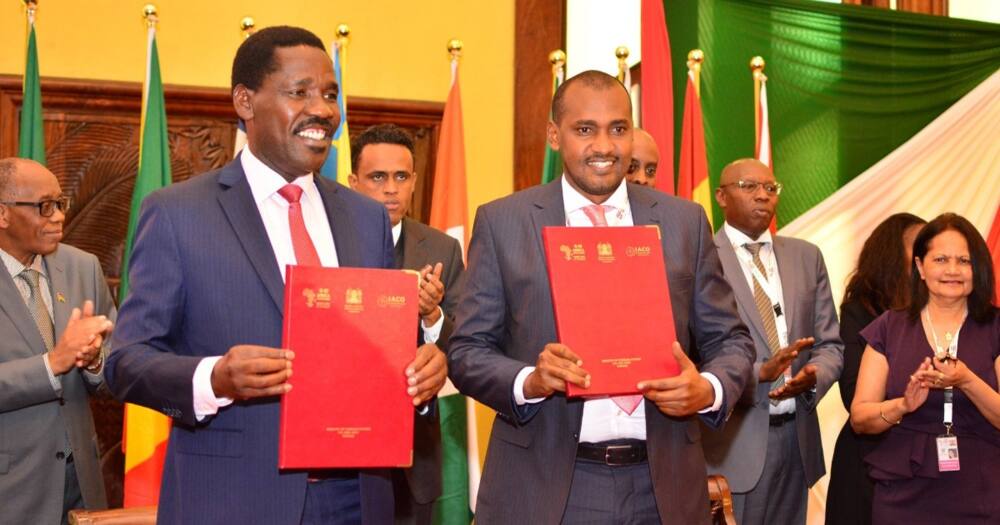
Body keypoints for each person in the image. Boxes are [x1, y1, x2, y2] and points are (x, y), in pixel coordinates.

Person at [105, 27, 446, 525]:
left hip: (360, 497)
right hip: (232, 501)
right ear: (246, 101)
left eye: (330, 94)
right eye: (299, 92)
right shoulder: (179, 214)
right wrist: (215, 377)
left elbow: (385, 348)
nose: (324, 110)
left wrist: (423, 368)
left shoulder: (365, 218)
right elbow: (127, 362)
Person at [447, 70, 755, 525]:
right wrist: (529, 380)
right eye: (585, 130)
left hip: (663, 485)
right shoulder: (504, 222)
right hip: (546, 485)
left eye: (618, 129)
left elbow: (732, 342)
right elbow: (467, 352)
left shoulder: (684, 222)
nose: (605, 147)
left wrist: (706, 389)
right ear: (555, 135)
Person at [702, 158, 844, 525]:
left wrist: (815, 374)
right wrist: (756, 375)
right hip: (733, 443)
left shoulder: (806, 256)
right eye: (749, 186)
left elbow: (831, 343)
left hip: (796, 441)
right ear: (721, 196)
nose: (763, 195)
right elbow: (694, 353)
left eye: (770, 187)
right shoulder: (701, 258)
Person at [348, 123, 465, 525]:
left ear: (414, 181)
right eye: (377, 177)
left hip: (415, 450)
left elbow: (467, 348)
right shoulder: (326, 242)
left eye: (401, 177)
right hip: (342, 444)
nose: (390, 188)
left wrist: (432, 317)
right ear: (353, 181)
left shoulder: (441, 249)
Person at [851, 213, 1000, 524]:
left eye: (964, 261)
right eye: (941, 259)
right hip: (903, 491)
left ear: (979, 268)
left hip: (982, 488)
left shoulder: (995, 327)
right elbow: (860, 418)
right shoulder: (889, 327)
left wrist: (966, 380)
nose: (952, 270)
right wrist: (903, 405)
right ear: (920, 266)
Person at [0, 157, 115, 525]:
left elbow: (118, 366)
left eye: (60, 204)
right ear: (3, 214)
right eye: (44, 207)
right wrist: (53, 363)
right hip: (12, 488)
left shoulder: (83, 267)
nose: (59, 217)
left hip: (81, 483)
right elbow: (54, 364)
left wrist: (97, 360)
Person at [826, 212, 925, 525]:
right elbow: (854, 394)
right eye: (919, 246)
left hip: (927, 466)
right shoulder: (860, 312)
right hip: (868, 461)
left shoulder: (943, 312)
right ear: (892, 255)